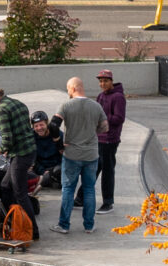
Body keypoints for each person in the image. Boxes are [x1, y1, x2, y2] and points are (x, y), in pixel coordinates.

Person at [49, 77, 109, 235]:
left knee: (68, 189)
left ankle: (64, 225)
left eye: (68, 89)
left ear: (73, 88)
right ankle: (89, 226)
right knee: (89, 189)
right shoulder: (96, 106)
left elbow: (53, 125)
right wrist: (91, 132)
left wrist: (58, 144)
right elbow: (105, 127)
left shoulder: (66, 106)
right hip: (91, 154)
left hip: (72, 154)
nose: (68, 92)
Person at [0, 85, 39, 240]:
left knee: (20, 193)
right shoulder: (18, 103)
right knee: (6, 185)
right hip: (29, 150)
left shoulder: (1, 111)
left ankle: (31, 230)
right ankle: (14, 220)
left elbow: (7, 137)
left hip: (20, 154)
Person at [74, 69, 126, 214]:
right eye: (101, 81)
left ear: (111, 81)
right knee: (91, 169)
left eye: (105, 81)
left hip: (110, 140)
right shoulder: (101, 96)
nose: (102, 84)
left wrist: (101, 119)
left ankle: (108, 203)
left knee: (107, 172)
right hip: (98, 139)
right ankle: (80, 199)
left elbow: (119, 118)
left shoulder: (118, 97)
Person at [31, 110, 64, 190]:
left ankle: (47, 180)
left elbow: (64, 155)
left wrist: (51, 172)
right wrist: (42, 171)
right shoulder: (31, 136)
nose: (39, 128)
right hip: (39, 168)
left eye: (41, 125)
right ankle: (45, 180)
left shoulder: (57, 134)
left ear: (47, 123)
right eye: (36, 126)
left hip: (55, 168)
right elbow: (31, 158)